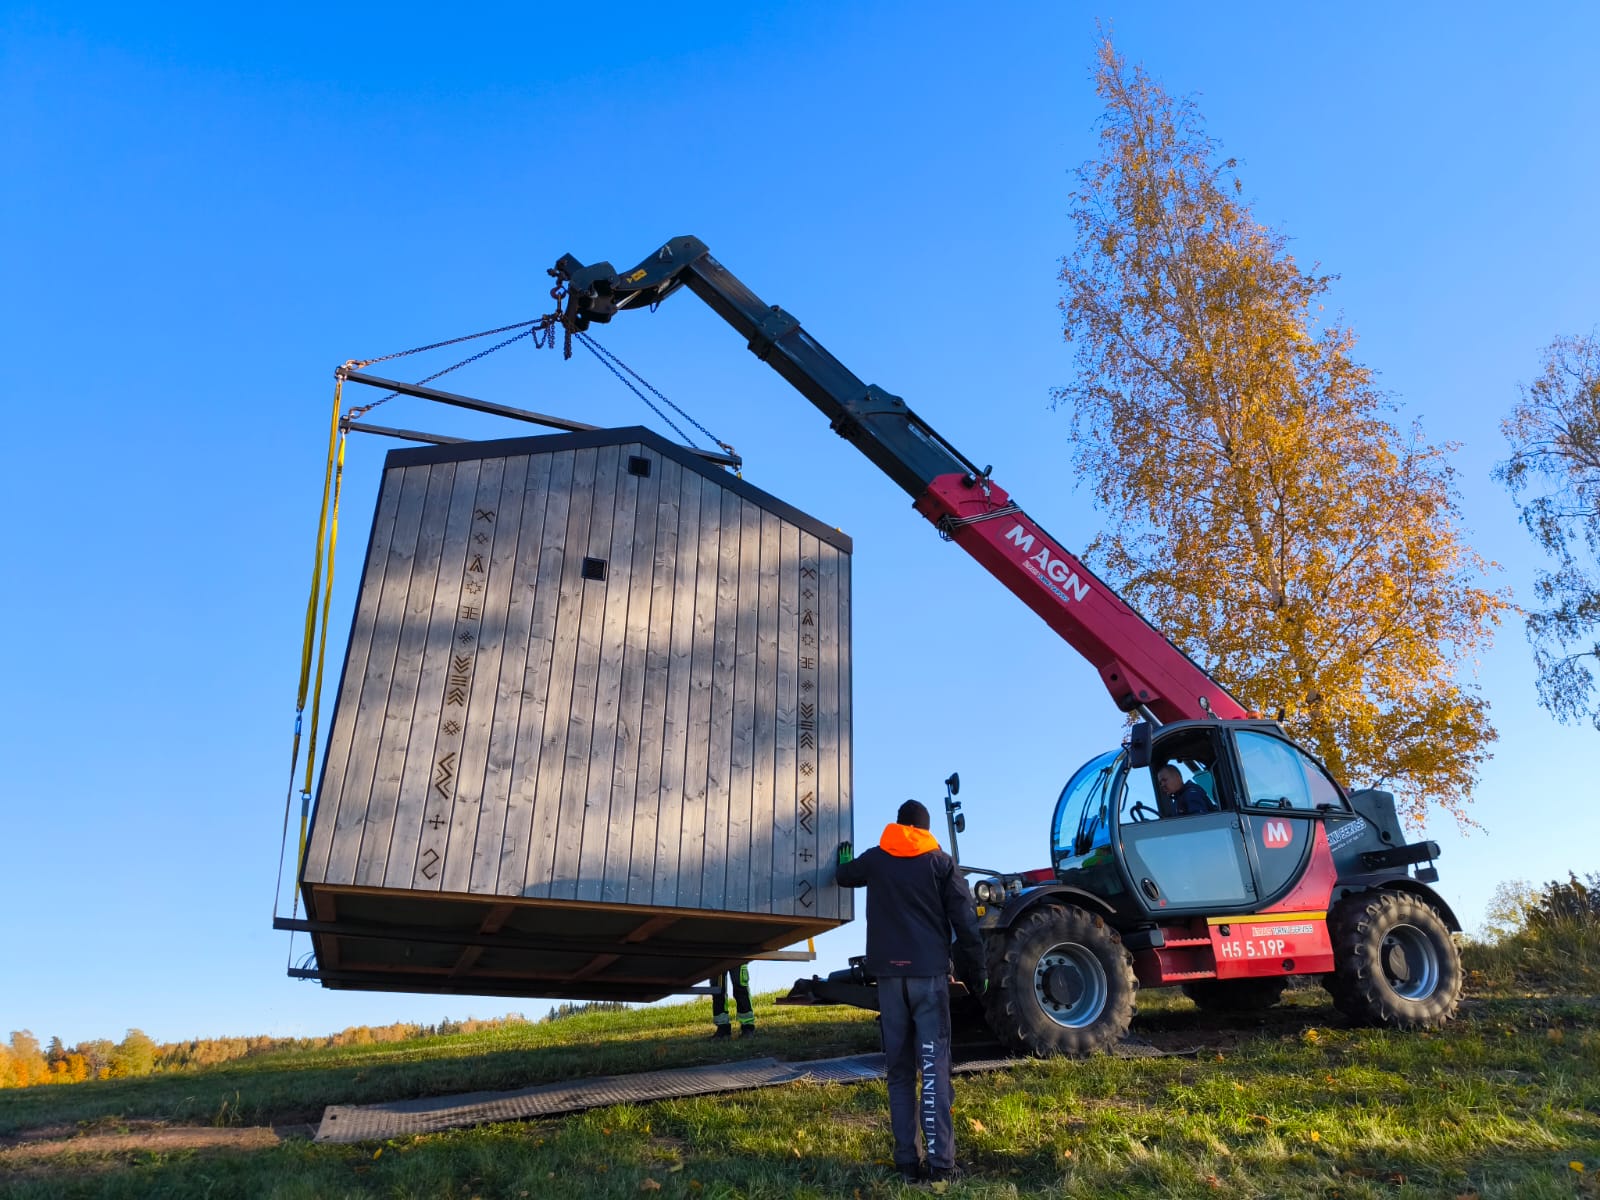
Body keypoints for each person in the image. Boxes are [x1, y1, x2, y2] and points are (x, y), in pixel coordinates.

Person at [835, 800, 985, 1187]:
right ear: (926, 829)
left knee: (899, 1072)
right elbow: (965, 919)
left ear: (898, 825)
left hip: (888, 979)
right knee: (933, 1070)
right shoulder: (940, 863)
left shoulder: (876, 859)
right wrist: (977, 969)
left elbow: (845, 876)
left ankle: (906, 1162)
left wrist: (844, 859)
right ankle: (941, 1165)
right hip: (928, 978)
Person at [708, 963, 755, 1038]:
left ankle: (748, 1027)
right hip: (715, 958)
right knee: (718, 990)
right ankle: (722, 1027)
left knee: (740, 987)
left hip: (737, 957)